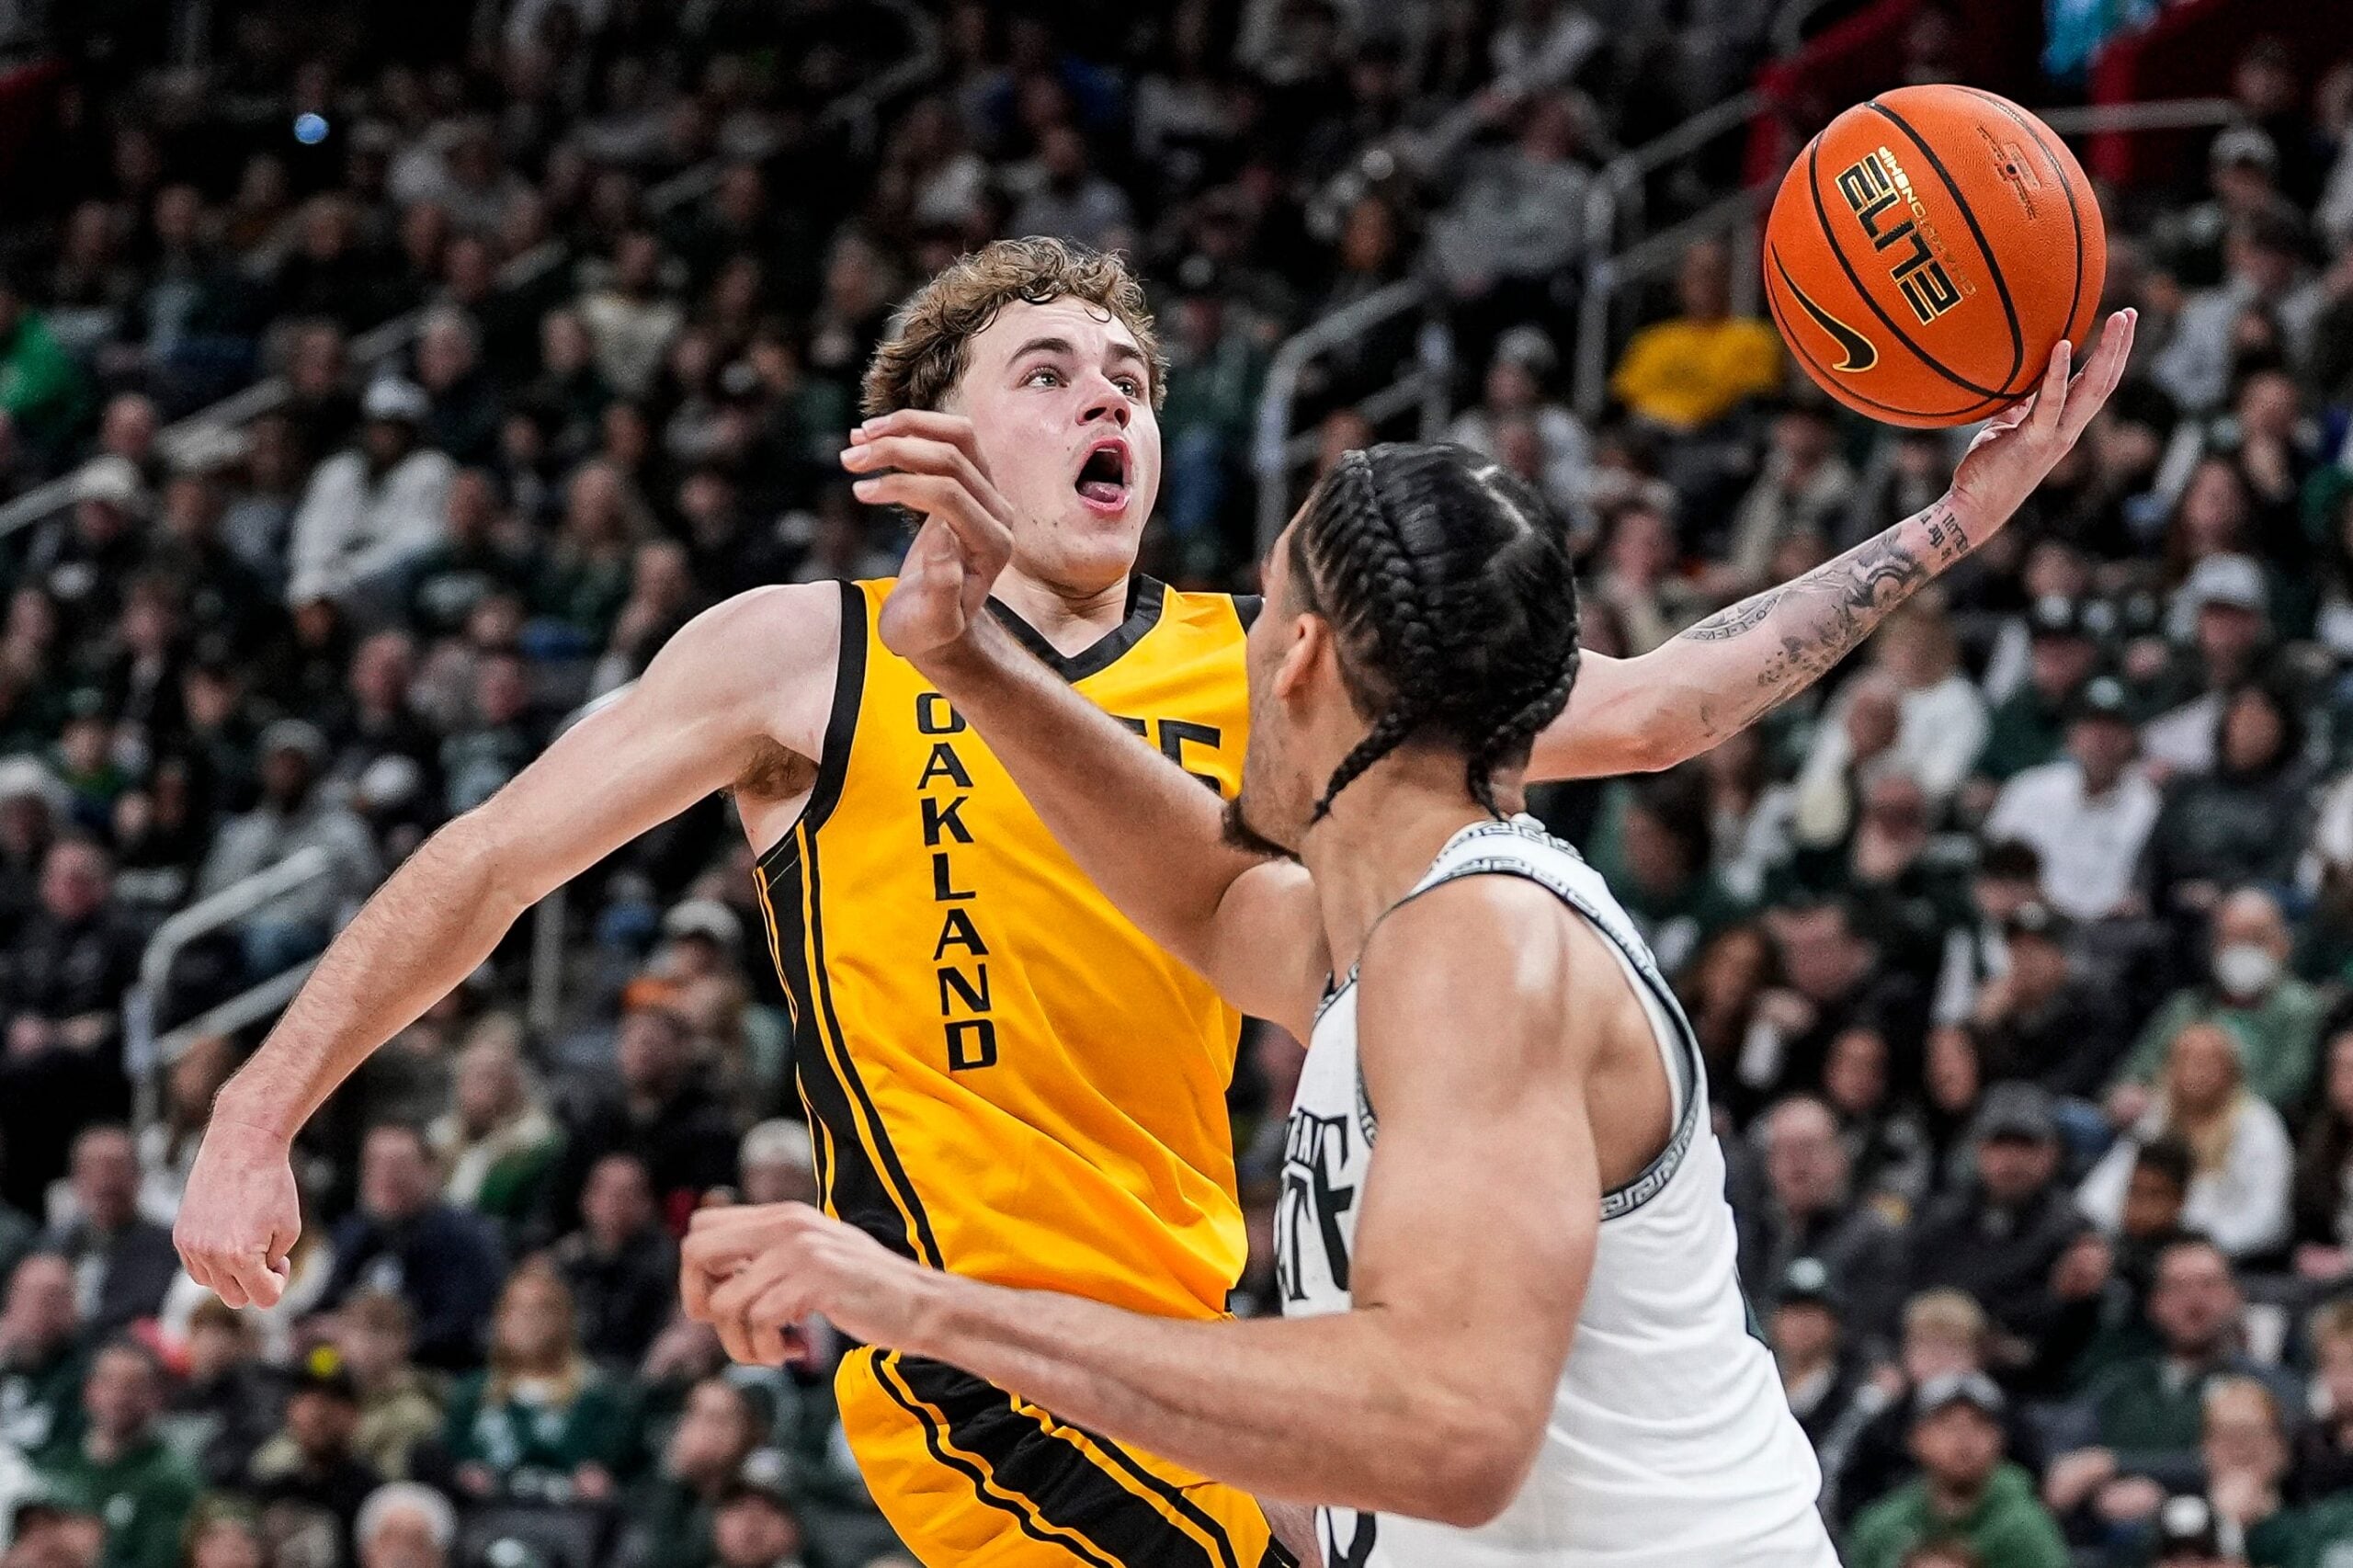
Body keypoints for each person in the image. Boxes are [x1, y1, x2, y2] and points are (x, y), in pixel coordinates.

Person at [177, 237, 2131, 1563]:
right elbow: (493, 860)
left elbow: (1659, 704)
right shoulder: (804, 654)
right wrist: (262, 1111)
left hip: (1233, 1351)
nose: (1108, 399)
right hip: (988, 1365)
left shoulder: (1277, 665)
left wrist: (1947, 523)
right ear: (935, 434)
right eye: (1048, 374)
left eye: (1130, 377)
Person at [2080, 1022, 2294, 1261]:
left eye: (2207, 1063)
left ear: (2231, 1071)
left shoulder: (2258, 1123)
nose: (2197, 1072)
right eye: (2187, 1061)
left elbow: (2267, 1215)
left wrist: (2204, 1247)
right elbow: (2107, 1186)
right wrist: (2097, 1232)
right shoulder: (2158, 1116)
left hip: (2228, 1254)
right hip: (2150, 1245)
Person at [316, 1125, 504, 1371]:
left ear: (431, 1170)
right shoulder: (351, 1233)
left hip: (434, 1373)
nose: (386, 1175)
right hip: (342, 1369)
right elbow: (325, 1303)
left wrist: (386, 1346)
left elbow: (463, 1326)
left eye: (399, 1164)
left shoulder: (465, 1238)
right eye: (375, 1163)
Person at [1842, 1374, 2068, 1568]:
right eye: (1947, 1424)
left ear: (1999, 1438)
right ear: (1916, 1438)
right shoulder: (1881, 1527)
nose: (1964, 1439)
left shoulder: (2026, 1529)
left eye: (1979, 1424)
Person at [33, 1343, 199, 1568]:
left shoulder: (170, 1478)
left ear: (156, 1396)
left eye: (133, 1386)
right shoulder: (56, 1463)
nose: (118, 1397)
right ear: (89, 1390)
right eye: (108, 1382)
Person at [39, 1131, 176, 1340]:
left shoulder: (164, 1246)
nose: (106, 1179)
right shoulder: (53, 1243)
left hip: (125, 1347)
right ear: (75, 1179)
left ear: (138, 1177)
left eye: (116, 1167)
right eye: (94, 1168)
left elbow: (144, 1310)